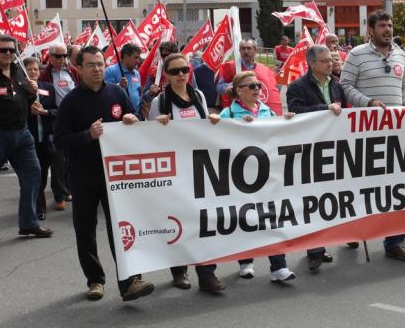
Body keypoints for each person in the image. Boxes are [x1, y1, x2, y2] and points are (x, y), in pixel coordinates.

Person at [54, 46, 155, 302]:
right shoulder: (71, 101)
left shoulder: (117, 92)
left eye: (100, 64)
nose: (97, 69)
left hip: (117, 175)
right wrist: (88, 135)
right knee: (86, 229)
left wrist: (132, 118)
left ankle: (130, 281)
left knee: (122, 229)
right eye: (91, 65)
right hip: (83, 174)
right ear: (79, 68)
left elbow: (134, 117)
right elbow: (61, 140)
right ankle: (95, 280)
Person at [340, 10, 405, 262]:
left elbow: (404, 87)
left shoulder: (401, 54)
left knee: (398, 187)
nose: (387, 30)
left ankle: (394, 241)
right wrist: (368, 102)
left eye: (390, 25)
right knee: (363, 187)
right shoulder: (356, 56)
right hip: (366, 132)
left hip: (397, 132)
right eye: (382, 26)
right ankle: (353, 228)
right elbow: (345, 86)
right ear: (371, 30)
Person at [149, 54, 226, 293]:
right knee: (179, 221)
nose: (181, 75)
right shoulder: (159, 102)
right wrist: (156, 126)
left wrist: (213, 120)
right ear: (167, 75)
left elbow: (205, 127)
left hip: (200, 166)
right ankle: (179, 270)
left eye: (184, 69)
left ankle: (207, 273)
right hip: (175, 169)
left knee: (204, 221)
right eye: (175, 71)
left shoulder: (199, 96)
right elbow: (146, 139)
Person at [0, 35, 52, 242]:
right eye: (3, 50)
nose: (8, 54)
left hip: (22, 134)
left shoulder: (19, 71)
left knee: (33, 175)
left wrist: (32, 94)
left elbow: (22, 98)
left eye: (11, 51)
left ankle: (28, 223)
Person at [220, 70, 296, 282]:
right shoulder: (228, 113)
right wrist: (230, 125)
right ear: (239, 90)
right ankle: (246, 261)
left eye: (259, 86)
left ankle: (278, 267)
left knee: (272, 219)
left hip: (266, 176)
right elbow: (216, 137)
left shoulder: (267, 112)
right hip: (239, 177)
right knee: (245, 219)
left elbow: (279, 134)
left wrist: (287, 121)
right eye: (252, 86)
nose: (257, 90)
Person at [286, 45, 354, 271]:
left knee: (339, 195)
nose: (330, 64)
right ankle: (315, 250)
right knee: (314, 201)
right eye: (325, 61)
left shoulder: (337, 85)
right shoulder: (297, 87)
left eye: (331, 60)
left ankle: (345, 232)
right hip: (311, 150)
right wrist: (324, 108)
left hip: (336, 147)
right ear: (312, 64)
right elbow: (296, 113)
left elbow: (344, 111)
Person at [38, 43, 76, 210]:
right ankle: (59, 194)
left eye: (65, 56)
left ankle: (67, 188)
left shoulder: (72, 72)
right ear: (50, 57)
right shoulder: (44, 75)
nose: (62, 59)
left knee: (71, 157)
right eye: (58, 56)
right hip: (53, 119)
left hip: (73, 118)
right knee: (57, 159)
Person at [25, 57, 58, 221]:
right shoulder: (20, 90)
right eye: (30, 69)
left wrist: (46, 112)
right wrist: (29, 107)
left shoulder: (48, 88)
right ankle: (39, 207)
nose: (33, 72)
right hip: (28, 140)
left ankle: (36, 202)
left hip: (46, 138)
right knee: (34, 174)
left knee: (43, 174)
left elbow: (58, 110)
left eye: (36, 69)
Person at [216, 39, 282, 114]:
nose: (246, 51)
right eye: (243, 49)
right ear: (239, 50)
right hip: (237, 112)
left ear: (255, 50)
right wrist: (232, 86)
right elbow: (219, 87)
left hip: (259, 113)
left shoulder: (266, 70)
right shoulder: (229, 67)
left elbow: (274, 90)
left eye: (249, 48)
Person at [104, 43, 143, 115]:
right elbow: (105, 94)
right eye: (135, 58)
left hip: (135, 116)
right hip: (119, 118)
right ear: (126, 56)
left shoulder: (136, 73)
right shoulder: (110, 71)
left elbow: (139, 94)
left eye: (139, 58)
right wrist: (119, 86)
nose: (138, 61)